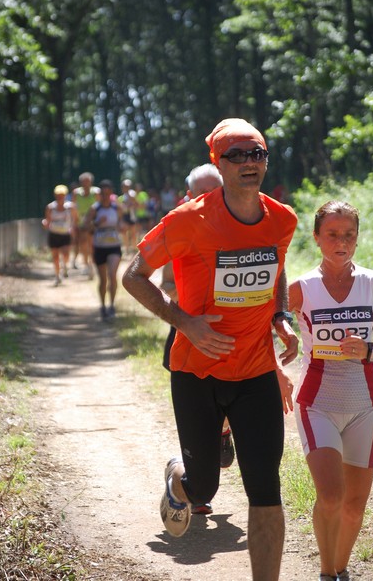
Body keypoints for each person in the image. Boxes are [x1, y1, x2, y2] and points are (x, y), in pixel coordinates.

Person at [122, 117, 298, 581]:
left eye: (256, 153)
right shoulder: (186, 220)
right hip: (196, 372)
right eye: (236, 155)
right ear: (217, 162)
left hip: (256, 372)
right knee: (205, 487)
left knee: (266, 491)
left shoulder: (283, 219)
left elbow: (277, 269)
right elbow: (133, 275)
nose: (248, 163)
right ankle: (180, 478)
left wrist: (280, 316)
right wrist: (186, 323)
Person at [288, 200, 373, 581]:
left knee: (353, 506)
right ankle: (326, 574)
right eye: (332, 234)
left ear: (357, 239)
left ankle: (340, 570)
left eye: (348, 235)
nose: (341, 242)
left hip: (365, 404)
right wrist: (277, 367)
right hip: (318, 403)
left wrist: (371, 350)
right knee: (330, 495)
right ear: (316, 238)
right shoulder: (301, 288)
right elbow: (266, 328)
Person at [160, 163, 234, 516]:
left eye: (214, 190)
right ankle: (198, 489)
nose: (207, 199)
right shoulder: (178, 225)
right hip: (190, 330)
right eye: (200, 193)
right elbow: (163, 285)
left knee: (231, 401)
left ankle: (222, 430)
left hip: (236, 333)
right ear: (187, 196)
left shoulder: (243, 222)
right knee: (195, 413)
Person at [84, 179, 123, 320]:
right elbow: (85, 227)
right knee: (103, 279)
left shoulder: (117, 208)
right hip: (99, 247)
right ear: (99, 194)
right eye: (103, 193)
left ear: (111, 193)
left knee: (112, 275)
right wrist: (97, 223)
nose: (106, 196)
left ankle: (112, 305)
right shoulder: (95, 209)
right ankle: (102, 306)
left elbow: (121, 223)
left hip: (114, 246)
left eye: (108, 193)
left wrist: (122, 227)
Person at [42, 185, 77, 286]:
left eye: (62, 195)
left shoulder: (71, 207)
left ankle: (64, 266)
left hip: (66, 234)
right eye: (58, 195)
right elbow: (47, 222)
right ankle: (57, 276)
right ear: (55, 195)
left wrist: (73, 229)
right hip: (54, 234)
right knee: (55, 256)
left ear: (65, 195)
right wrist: (44, 224)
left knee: (66, 254)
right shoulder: (50, 207)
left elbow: (75, 220)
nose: (60, 197)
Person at [72, 171, 100, 278]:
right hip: (81, 223)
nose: (85, 184)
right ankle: (86, 264)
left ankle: (92, 265)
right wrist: (74, 222)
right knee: (83, 244)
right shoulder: (76, 193)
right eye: (83, 182)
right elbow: (74, 208)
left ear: (91, 182)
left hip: (93, 223)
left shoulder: (96, 192)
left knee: (92, 245)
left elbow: (100, 206)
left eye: (87, 182)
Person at [117, 179, 138, 255]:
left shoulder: (132, 194)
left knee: (133, 233)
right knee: (124, 233)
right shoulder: (120, 198)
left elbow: (135, 202)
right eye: (125, 186)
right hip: (124, 216)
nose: (126, 188)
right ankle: (126, 249)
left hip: (131, 215)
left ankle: (134, 248)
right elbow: (120, 208)